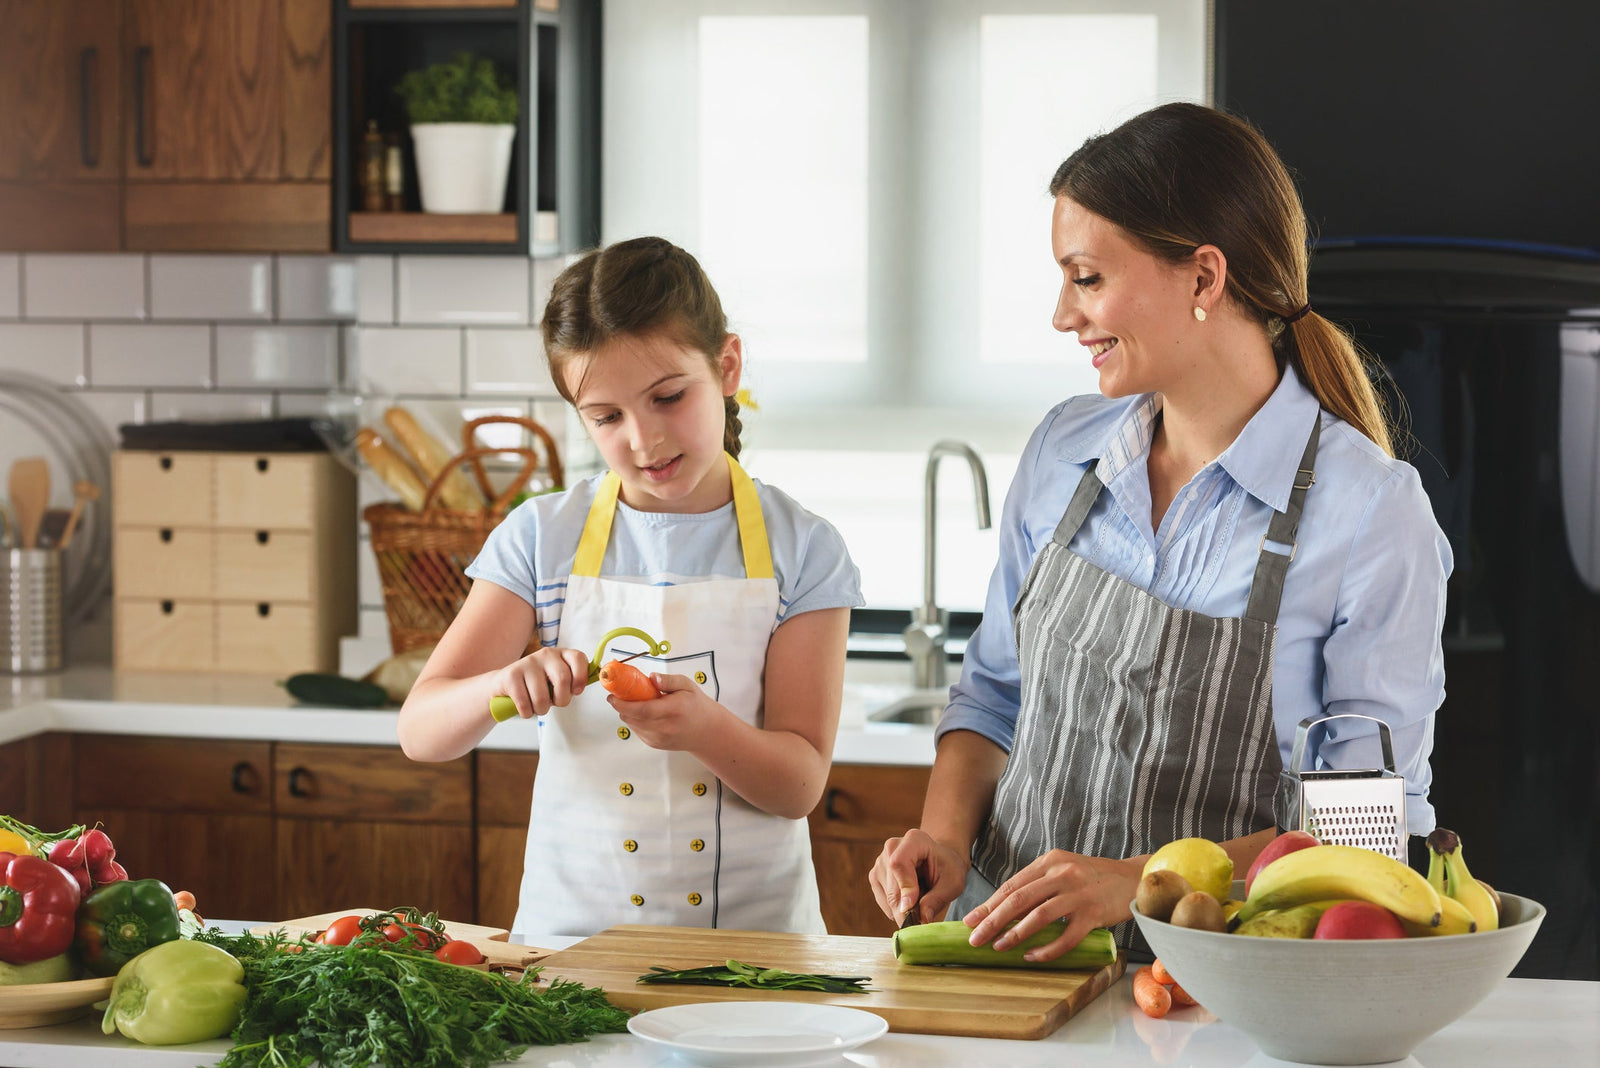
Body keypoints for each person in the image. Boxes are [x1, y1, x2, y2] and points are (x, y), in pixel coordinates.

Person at [869, 102, 1451, 960]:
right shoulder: (1064, 449)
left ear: (1204, 279)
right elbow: (992, 695)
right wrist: (945, 838)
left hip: (1216, 987)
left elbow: (1363, 829)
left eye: (1087, 277)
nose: (1064, 315)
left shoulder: (1369, 512)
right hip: (1007, 961)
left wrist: (1136, 881)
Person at [399, 236, 863, 937]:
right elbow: (422, 731)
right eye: (607, 417)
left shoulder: (804, 550)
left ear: (727, 365)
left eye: (668, 397)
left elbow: (799, 784)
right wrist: (504, 685)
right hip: (570, 945)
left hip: (756, 954)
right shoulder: (541, 539)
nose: (644, 440)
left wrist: (703, 728)